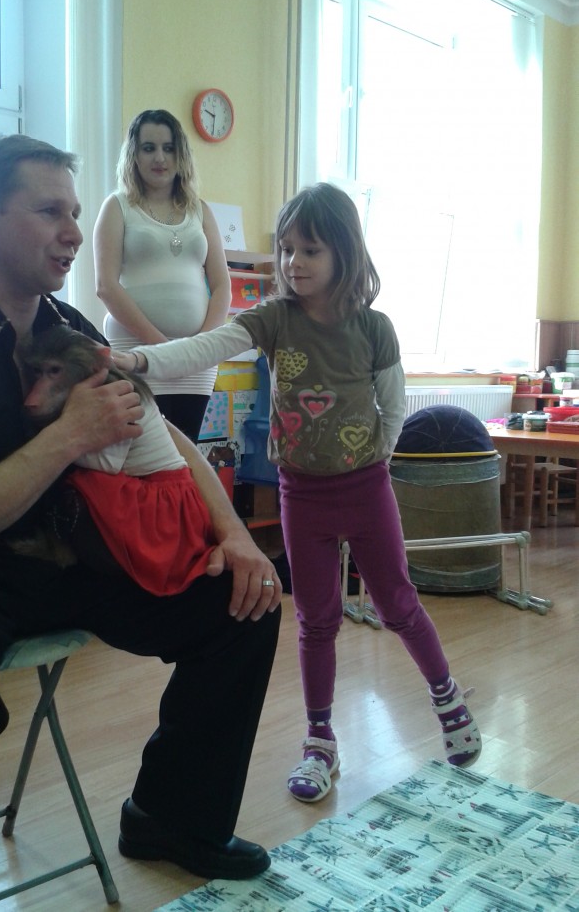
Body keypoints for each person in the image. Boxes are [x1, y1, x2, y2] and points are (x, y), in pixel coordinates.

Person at [0, 133, 282, 912]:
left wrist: (233, 534)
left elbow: (164, 436)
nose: (73, 231)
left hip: (62, 553)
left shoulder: (72, 328)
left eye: (74, 211)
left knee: (246, 602)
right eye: (49, 212)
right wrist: (69, 435)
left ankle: (170, 817)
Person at [114, 182, 483, 804]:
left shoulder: (374, 328)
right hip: (301, 494)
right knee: (316, 619)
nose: (293, 262)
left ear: (344, 252)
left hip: (366, 488)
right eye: (286, 249)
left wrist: (373, 460)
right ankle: (320, 742)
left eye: (309, 250)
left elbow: (393, 408)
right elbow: (209, 345)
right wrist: (142, 361)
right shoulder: (275, 319)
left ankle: (447, 699)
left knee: (398, 604)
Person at [21, 324, 217, 596]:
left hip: (160, 506)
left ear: (95, 366)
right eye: (37, 372)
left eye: (54, 371)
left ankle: (67, 556)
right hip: (155, 494)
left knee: (77, 479)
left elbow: (107, 465)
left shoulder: (116, 393)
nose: (39, 388)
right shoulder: (108, 382)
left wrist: (57, 439)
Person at [93, 108, 231, 443]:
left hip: (195, 363)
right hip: (136, 349)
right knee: (141, 451)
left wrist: (199, 347)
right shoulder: (117, 206)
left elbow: (222, 286)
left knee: (187, 452)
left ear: (181, 155)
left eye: (168, 148)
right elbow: (106, 286)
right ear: (134, 155)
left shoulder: (200, 210)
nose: (159, 157)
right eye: (148, 148)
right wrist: (164, 348)